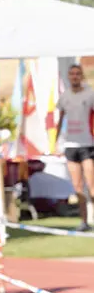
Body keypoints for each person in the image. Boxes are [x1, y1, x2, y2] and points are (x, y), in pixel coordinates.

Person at [54, 64, 94, 232]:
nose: (75, 76)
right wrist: (56, 142)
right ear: (69, 77)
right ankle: (84, 221)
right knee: (78, 188)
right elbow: (60, 119)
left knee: (91, 184)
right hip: (70, 145)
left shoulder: (90, 94)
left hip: (87, 144)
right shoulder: (65, 96)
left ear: (81, 76)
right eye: (72, 74)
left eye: (78, 74)